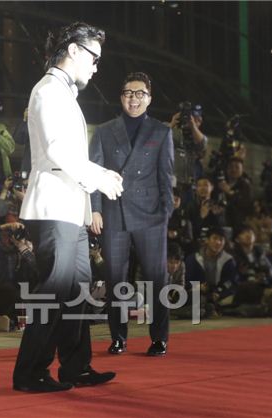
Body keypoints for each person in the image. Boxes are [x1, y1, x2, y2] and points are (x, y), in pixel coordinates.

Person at [13, 22, 123, 393]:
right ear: (73, 50)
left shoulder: (62, 93)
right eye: (94, 57)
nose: (96, 66)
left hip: (68, 209)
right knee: (54, 292)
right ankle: (30, 373)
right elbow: (58, 152)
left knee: (77, 290)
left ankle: (75, 367)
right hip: (53, 208)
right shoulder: (48, 91)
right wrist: (100, 177)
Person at [89, 71, 174, 356]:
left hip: (151, 216)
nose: (133, 99)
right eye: (128, 93)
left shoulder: (162, 132)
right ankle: (118, 338)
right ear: (120, 97)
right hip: (113, 214)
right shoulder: (103, 131)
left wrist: (165, 212)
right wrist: (95, 211)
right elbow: (94, 174)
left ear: (149, 99)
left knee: (156, 277)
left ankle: (159, 337)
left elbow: (166, 176)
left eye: (140, 94)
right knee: (115, 279)